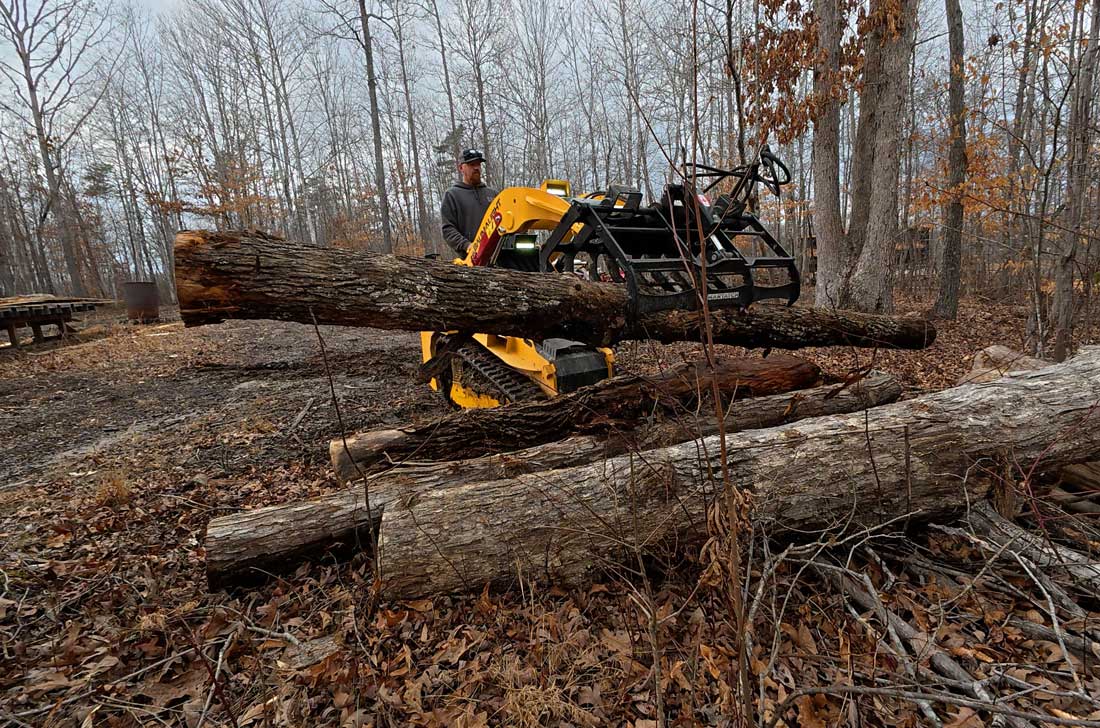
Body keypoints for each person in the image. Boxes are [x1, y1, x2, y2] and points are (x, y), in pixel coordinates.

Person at [440, 148, 498, 257]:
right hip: (469, 260)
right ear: (461, 168)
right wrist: (467, 245)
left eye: (478, 164)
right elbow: (448, 229)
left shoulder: (493, 194)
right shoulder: (452, 195)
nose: (476, 168)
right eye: (471, 164)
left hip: (498, 257)